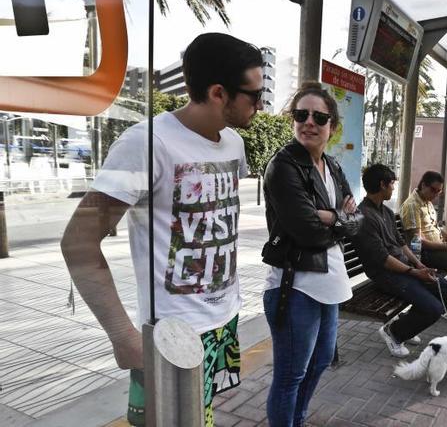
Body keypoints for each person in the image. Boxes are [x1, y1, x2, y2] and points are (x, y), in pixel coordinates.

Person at [60, 32, 264, 426]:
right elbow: (78, 243)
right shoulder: (146, 143)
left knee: (202, 417)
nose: (260, 104)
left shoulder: (234, 145)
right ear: (219, 92)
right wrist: (123, 337)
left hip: (222, 319)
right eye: (253, 95)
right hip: (171, 334)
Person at [261, 82, 362, 427]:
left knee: (319, 363)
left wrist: (330, 216)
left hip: (330, 284)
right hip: (294, 285)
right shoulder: (283, 166)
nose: (309, 122)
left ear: (331, 126)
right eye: (301, 114)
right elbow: (306, 231)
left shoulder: (332, 167)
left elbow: (358, 219)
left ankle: (297, 420)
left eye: (319, 116)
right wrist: (339, 218)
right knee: (291, 375)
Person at [352, 164, 447, 358]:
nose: (394, 188)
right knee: (434, 309)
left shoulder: (384, 211)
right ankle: (394, 333)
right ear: (382, 184)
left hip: (405, 268)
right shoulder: (364, 217)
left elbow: (401, 243)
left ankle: (405, 326)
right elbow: (382, 259)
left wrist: (419, 265)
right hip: (385, 274)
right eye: (392, 184)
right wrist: (414, 272)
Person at [399, 171, 447, 324]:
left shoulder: (426, 201)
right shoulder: (412, 205)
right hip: (424, 253)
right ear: (423, 185)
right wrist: (445, 246)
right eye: (433, 190)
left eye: (439, 191)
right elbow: (417, 241)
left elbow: (435, 229)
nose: (436, 195)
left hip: (438, 248)